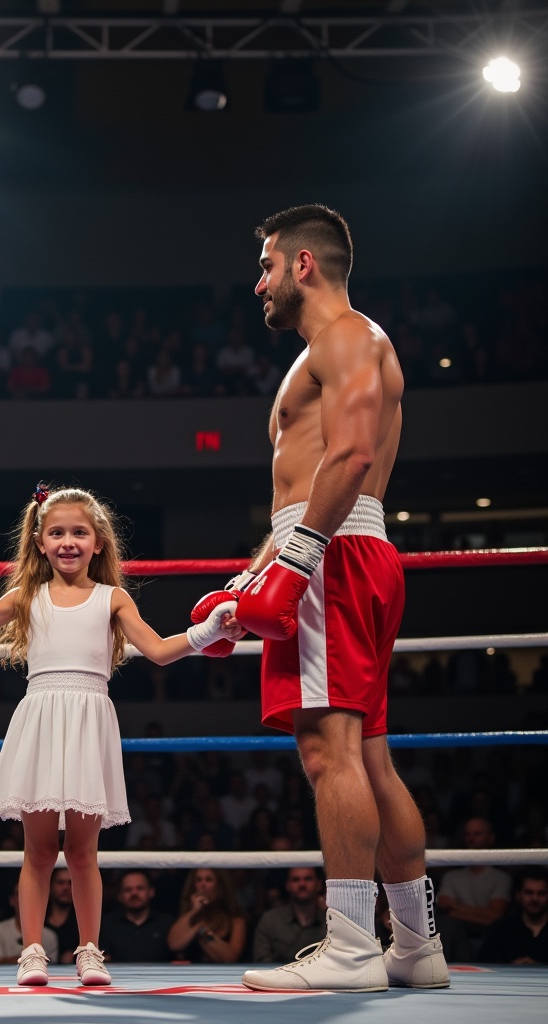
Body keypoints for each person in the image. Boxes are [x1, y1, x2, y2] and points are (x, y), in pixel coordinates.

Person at [0, 483, 240, 986]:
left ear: (98, 541)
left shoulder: (112, 598)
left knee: (82, 852)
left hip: (89, 721)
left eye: (79, 532)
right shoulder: (27, 596)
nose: (68, 541)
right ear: (39, 542)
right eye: (57, 532)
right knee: (37, 850)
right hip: (41, 718)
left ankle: (88, 950)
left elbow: (162, 651)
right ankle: (32, 949)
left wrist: (212, 629)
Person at [216, 205, 449, 993]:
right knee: (371, 758)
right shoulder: (344, 346)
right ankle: (415, 946)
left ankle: (350, 946)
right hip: (349, 551)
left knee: (328, 753)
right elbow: (307, 485)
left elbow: (347, 458)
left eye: (268, 267)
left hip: (334, 558)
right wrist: (253, 578)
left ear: (304, 264)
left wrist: (298, 560)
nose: (260, 284)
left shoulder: (348, 337)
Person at [437, 817, 512, 946]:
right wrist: (483, 915)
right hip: (455, 942)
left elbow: (495, 916)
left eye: (477, 834)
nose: (471, 839)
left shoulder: (502, 878)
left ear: (491, 838)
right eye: (467, 834)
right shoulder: (450, 876)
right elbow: (444, 910)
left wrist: (455, 909)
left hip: (491, 941)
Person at [166, 868, 247, 964]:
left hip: (221, 975)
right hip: (189, 975)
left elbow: (230, 958)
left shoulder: (235, 920)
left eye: (208, 880)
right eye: (198, 880)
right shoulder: (188, 917)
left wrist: (202, 930)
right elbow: (174, 944)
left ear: (219, 885)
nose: (203, 885)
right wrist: (193, 911)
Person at [252, 866, 327, 964]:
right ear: (287, 885)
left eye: (308, 879)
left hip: (321, 977)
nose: (302, 884)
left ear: (319, 884)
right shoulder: (270, 920)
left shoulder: (332, 921)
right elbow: (261, 961)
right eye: (296, 880)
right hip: (277, 977)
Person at [99, 870, 173, 963]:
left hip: (163, 976)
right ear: (120, 896)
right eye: (128, 889)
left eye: (140, 888)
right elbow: (103, 959)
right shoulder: (106, 925)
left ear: (151, 892)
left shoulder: (167, 923)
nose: (134, 893)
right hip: (118, 977)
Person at [479, 866, 548, 964]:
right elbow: (484, 966)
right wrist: (511, 968)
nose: (535, 899)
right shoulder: (499, 930)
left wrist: (538, 967)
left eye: (541, 893)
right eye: (528, 893)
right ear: (518, 895)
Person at [0, 883, 60, 967]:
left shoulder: (49, 935)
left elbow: (52, 966)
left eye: (30, 894)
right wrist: (30, 958)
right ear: (12, 900)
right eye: (20, 894)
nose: (25, 898)